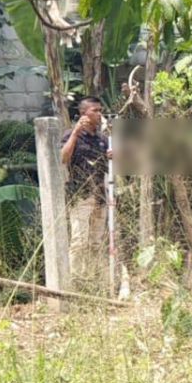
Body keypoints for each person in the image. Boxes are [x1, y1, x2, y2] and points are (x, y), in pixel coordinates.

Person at [60, 96, 114, 295]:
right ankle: (74, 283)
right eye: (95, 111)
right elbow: (64, 158)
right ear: (84, 114)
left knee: (96, 242)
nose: (99, 114)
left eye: (101, 110)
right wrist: (75, 132)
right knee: (79, 241)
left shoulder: (102, 140)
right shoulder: (72, 135)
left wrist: (113, 156)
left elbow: (115, 165)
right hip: (81, 195)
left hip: (100, 195)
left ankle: (93, 281)